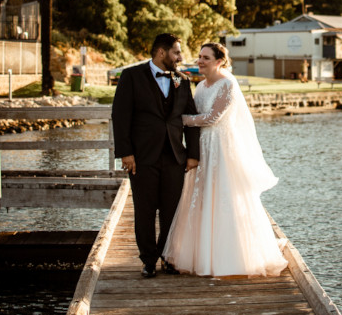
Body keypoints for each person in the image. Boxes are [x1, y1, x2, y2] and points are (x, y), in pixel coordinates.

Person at [163, 42, 288, 277]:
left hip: (221, 149)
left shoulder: (228, 84)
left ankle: (230, 258)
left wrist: (181, 121)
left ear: (219, 61)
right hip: (202, 149)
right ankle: (200, 255)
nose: (200, 61)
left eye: (206, 58)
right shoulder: (200, 87)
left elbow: (212, 118)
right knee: (200, 199)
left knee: (223, 198)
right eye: (199, 56)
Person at [111, 33, 201, 278]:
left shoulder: (182, 81)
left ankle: (168, 255)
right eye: (176, 52)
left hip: (175, 157)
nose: (180, 57)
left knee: (172, 211)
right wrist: (126, 153)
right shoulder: (131, 76)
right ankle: (148, 260)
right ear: (161, 53)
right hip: (141, 157)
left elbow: (191, 121)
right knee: (145, 210)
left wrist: (193, 154)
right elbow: (120, 117)